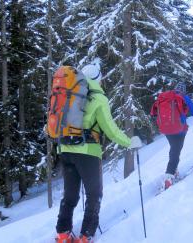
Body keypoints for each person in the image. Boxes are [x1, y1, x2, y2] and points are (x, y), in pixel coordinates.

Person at [55, 63, 142, 243]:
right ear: (98, 79)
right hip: (87, 152)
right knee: (94, 194)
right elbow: (110, 129)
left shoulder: (68, 93)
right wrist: (129, 142)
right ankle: (86, 235)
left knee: (70, 195)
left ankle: (63, 233)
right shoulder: (98, 98)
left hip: (64, 149)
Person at [150, 82, 193, 189]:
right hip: (179, 129)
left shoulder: (164, 96)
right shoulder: (183, 97)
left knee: (174, 148)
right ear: (184, 90)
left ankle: (174, 170)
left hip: (166, 129)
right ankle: (169, 176)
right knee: (176, 150)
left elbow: (153, 113)